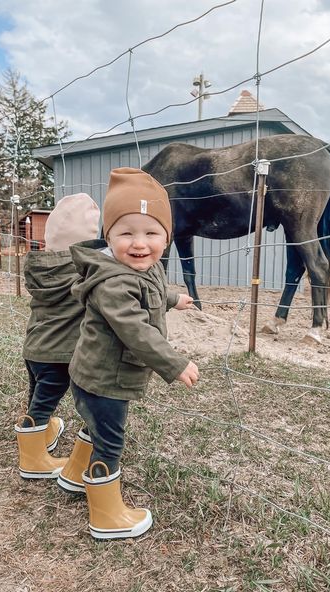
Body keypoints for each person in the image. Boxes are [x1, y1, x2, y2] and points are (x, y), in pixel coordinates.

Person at [68, 167, 199, 540]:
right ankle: (106, 516)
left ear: (166, 238)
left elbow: (152, 290)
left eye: (152, 233)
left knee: (96, 426)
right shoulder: (113, 282)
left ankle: (77, 476)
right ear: (108, 236)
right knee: (110, 439)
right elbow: (135, 329)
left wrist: (174, 299)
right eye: (126, 233)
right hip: (102, 379)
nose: (139, 243)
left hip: (98, 375)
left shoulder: (147, 267)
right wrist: (174, 363)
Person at [15, 193, 100, 479]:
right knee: (44, 402)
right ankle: (33, 460)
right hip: (58, 354)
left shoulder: (39, 266)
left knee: (36, 395)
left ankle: (42, 432)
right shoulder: (83, 269)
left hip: (34, 347)